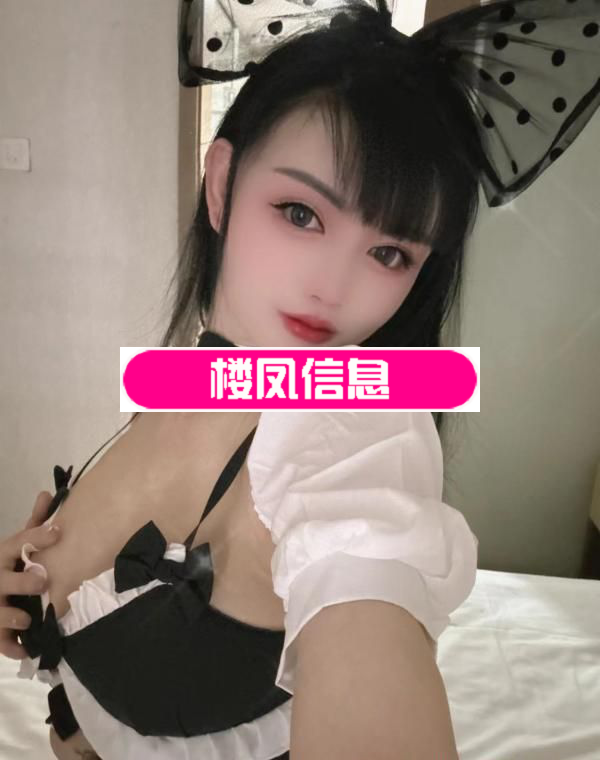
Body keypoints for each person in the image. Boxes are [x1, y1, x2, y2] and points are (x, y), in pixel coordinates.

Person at [1, 0, 598, 757]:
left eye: (390, 253)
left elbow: (366, 583)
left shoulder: (348, 436)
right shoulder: (204, 368)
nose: (332, 288)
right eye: (301, 213)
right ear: (222, 184)